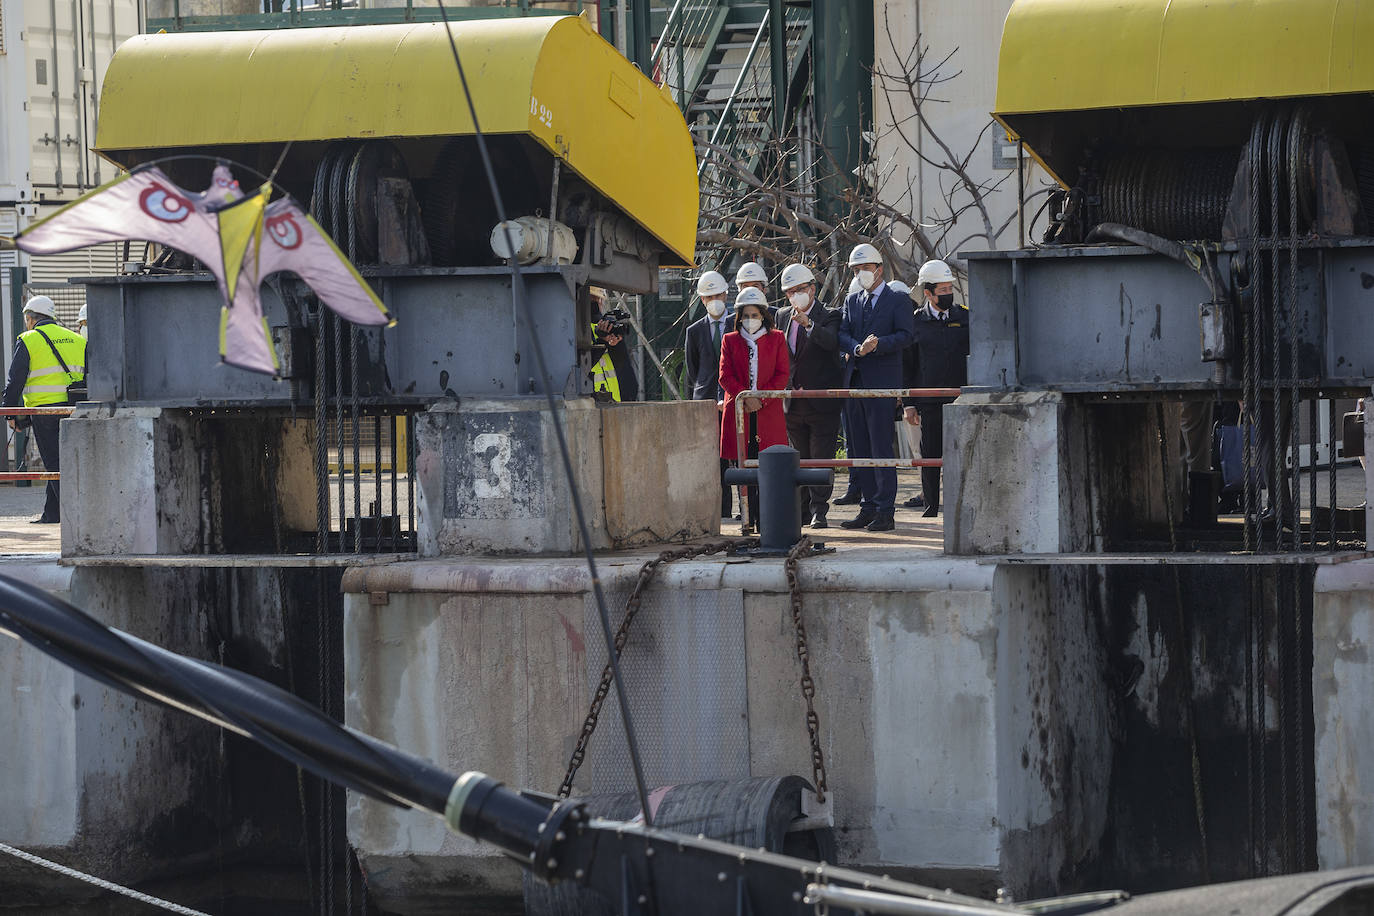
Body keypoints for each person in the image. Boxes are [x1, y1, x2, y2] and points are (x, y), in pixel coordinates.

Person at [836, 243, 914, 532]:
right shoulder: (852, 299)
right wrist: (857, 348)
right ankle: (867, 506)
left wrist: (879, 345)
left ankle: (885, 510)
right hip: (855, 379)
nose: (859, 274)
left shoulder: (897, 299)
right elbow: (842, 333)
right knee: (859, 448)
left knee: (880, 446)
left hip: (881, 381)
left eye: (864, 269)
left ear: (879, 269)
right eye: (856, 270)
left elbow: (906, 335)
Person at [3, 295, 87, 524]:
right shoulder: (77, 339)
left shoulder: (29, 339)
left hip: (45, 411)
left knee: (54, 465)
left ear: (30, 319)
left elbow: (15, 381)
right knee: (63, 462)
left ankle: (76, 521)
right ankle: (52, 514)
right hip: (76, 409)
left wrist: (10, 412)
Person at [774, 263, 844, 528]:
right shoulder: (781, 316)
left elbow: (831, 343)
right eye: (790, 292)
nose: (795, 296)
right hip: (793, 402)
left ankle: (819, 511)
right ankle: (801, 511)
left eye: (799, 290)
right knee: (799, 458)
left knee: (820, 457)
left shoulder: (830, 315)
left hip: (822, 402)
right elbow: (782, 356)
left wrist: (809, 325)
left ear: (812, 289)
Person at [902, 259, 969, 517]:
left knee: (961, 454)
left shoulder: (965, 317)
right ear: (927, 293)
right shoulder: (915, 323)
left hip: (961, 400)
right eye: (941, 291)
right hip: (929, 400)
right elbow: (907, 365)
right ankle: (931, 505)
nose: (947, 294)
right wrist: (909, 403)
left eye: (949, 289)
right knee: (930, 455)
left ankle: (959, 504)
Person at [719, 287, 789, 530]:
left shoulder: (777, 337)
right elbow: (724, 375)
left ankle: (767, 520)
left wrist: (762, 399)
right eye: (746, 315)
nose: (750, 320)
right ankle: (747, 517)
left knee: (768, 466)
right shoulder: (729, 340)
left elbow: (782, 374)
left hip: (768, 412)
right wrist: (745, 397)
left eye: (755, 314)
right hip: (740, 411)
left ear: (764, 315)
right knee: (743, 465)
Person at [684, 270, 734, 518]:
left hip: (735, 398)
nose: (714, 299)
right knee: (714, 461)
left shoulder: (739, 323)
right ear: (702, 300)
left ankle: (749, 510)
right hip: (706, 402)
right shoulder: (694, 331)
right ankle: (721, 511)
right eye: (708, 296)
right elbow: (693, 371)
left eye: (718, 294)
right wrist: (706, 395)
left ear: (726, 294)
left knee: (740, 454)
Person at [589, 287, 640, 402]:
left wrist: (614, 343)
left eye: (597, 299)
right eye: (592, 299)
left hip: (614, 402)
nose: (597, 303)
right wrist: (602, 341)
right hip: (592, 403)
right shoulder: (577, 331)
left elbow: (624, 369)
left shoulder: (604, 326)